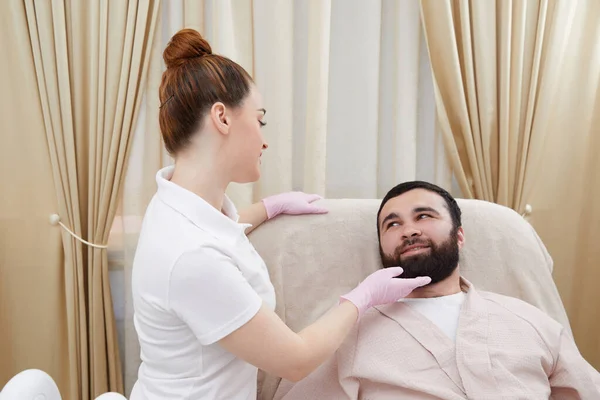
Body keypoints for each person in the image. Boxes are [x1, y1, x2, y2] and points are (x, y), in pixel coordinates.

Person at [129, 29, 431, 400]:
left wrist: (269, 208)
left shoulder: (175, 205)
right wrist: (365, 296)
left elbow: (215, 231)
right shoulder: (191, 258)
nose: (264, 139)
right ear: (222, 118)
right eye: (260, 120)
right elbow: (295, 360)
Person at [275, 181, 600, 399]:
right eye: (393, 224)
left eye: (424, 216)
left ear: (459, 235)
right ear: (382, 247)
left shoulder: (530, 321)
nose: (409, 230)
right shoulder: (350, 329)